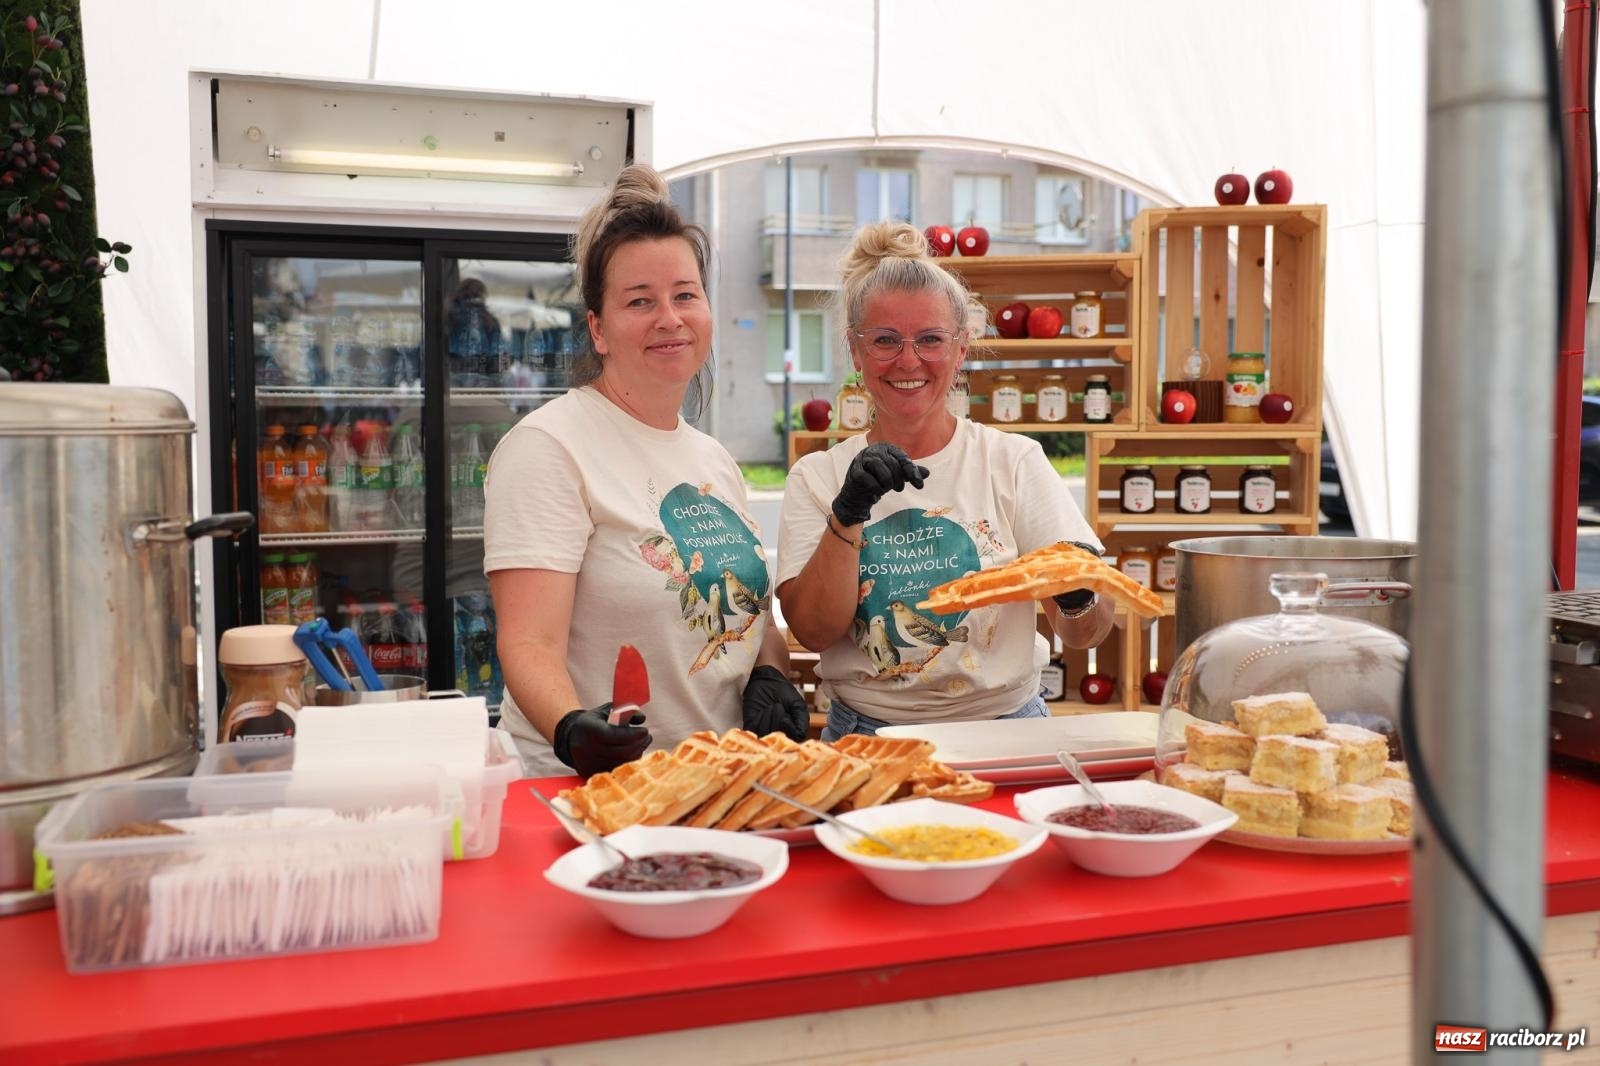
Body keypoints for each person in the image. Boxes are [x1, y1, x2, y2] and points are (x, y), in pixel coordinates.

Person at [484, 164, 806, 778]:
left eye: (686, 294)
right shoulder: (549, 446)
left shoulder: (712, 459)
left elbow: (749, 614)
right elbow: (528, 643)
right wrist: (569, 728)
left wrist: (770, 670)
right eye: (640, 301)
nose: (670, 317)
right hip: (588, 789)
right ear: (598, 331)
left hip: (717, 779)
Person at [776, 222, 1117, 740]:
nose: (908, 361)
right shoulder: (817, 477)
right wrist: (847, 514)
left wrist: (1076, 595)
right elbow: (812, 630)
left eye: (931, 340)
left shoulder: (1013, 462)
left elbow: (1088, 634)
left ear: (961, 349)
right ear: (855, 350)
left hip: (1007, 728)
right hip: (866, 735)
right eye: (885, 341)